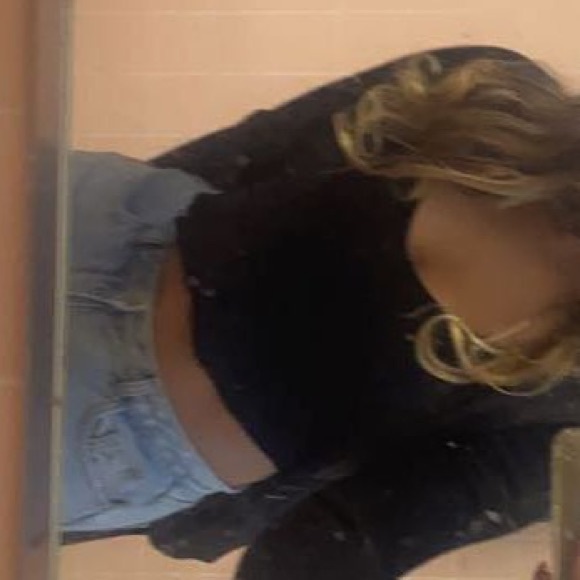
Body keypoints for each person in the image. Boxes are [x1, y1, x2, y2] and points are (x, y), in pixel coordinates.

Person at [62, 45, 580, 578]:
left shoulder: (564, 413)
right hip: (99, 224)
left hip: (120, 429)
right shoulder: (496, 94)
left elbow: (331, 544)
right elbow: (248, 152)